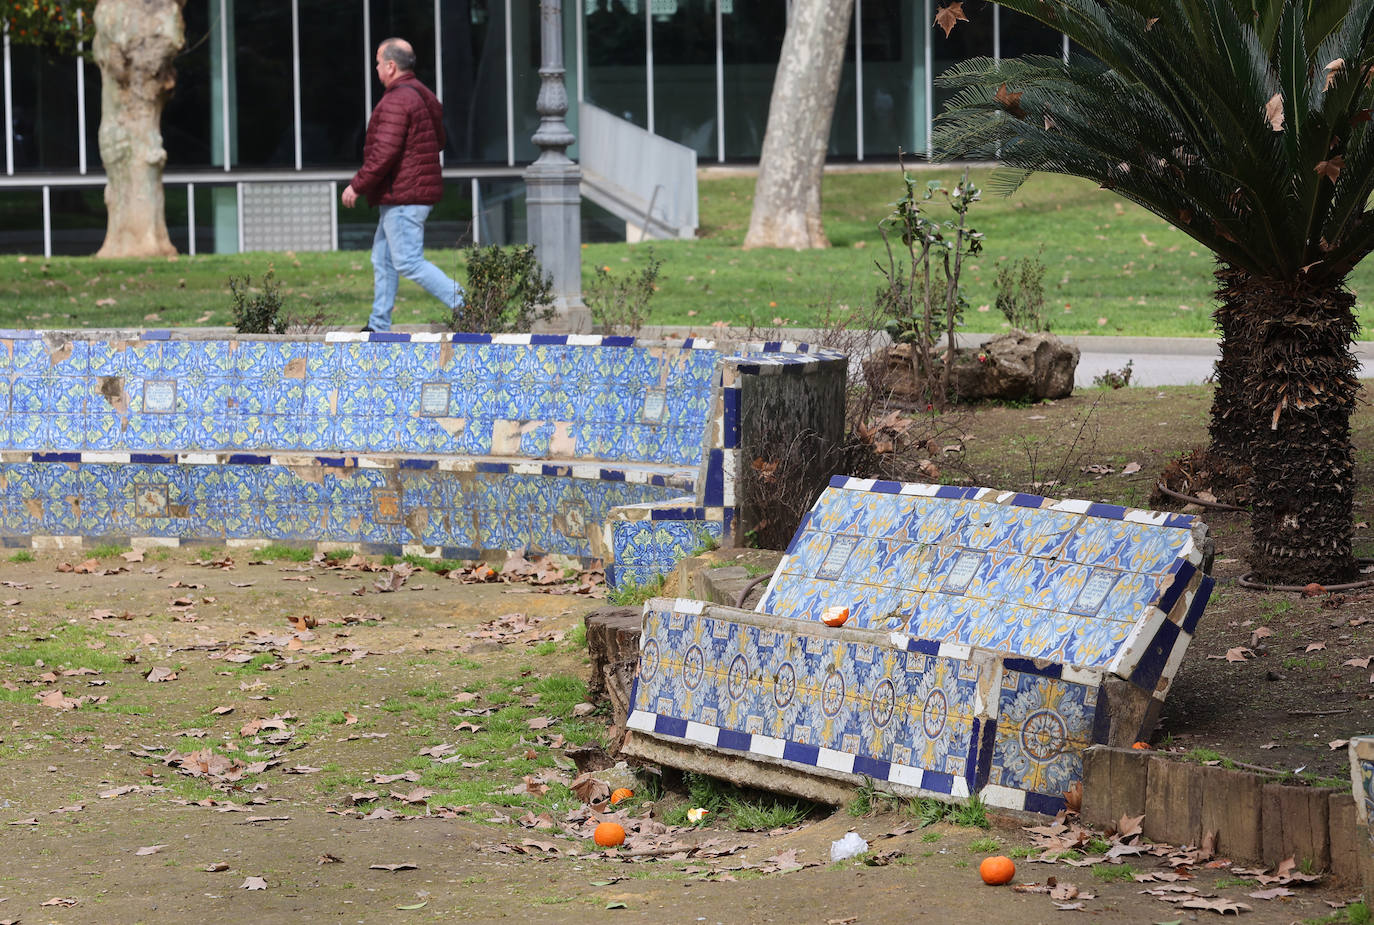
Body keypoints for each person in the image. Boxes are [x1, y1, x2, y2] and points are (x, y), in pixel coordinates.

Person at [342, 38, 463, 333]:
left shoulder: (397, 100)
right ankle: (378, 324)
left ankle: (464, 302)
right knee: (382, 259)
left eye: (379, 62)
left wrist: (356, 186)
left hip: (404, 195)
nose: (376, 68)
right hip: (408, 193)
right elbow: (440, 140)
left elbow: (384, 152)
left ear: (391, 66)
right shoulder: (423, 94)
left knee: (408, 261)